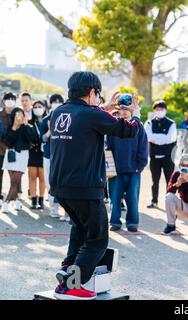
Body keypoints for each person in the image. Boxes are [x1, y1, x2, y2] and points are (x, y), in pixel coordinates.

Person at [50, 71, 141, 300]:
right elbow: (127, 130)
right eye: (97, 95)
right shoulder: (92, 115)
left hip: (61, 186)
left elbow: (89, 119)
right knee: (98, 239)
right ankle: (72, 284)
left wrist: (105, 109)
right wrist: (136, 114)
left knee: (80, 228)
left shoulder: (59, 112)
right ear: (92, 92)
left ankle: (68, 269)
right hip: (85, 187)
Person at [107, 94, 148, 233]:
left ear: (132, 110)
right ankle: (114, 221)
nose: (123, 112)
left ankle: (132, 222)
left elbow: (143, 148)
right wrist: (110, 167)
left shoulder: (139, 127)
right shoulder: (114, 125)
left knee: (132, 198)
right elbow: (108, 147)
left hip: (133, 170)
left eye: (127, 109)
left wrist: (139, 166)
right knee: (114, 197)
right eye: (121, 109)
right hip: (116, 169)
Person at [1, 108, 35, 214]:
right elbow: (7, 142)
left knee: (15, 181)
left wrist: (25, 125)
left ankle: (6, 202)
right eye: (16, 115)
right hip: (11, 155)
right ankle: (16, 201)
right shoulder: (11, 127)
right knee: (13, 181)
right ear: (13, 117)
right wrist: (14, 128)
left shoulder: (27, 126)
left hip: (22, 155)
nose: (18, 117)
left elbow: (33, 138)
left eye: (20, 115)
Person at [144, 100, 177, 209]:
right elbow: (148, 137)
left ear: (165, 110)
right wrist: (161, 138)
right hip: (154, 156)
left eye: (162, 109)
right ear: (154, 110)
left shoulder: (171, 123)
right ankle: (154, 201)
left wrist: (156, 138)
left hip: (168, 157)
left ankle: (171, 202)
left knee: (170, 180)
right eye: (157, 109)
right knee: (155, 181)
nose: (159, 111)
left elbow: (170, 138)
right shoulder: (149, 122)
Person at [41, 94, 66, 219]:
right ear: (50, 103)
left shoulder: (65, 117)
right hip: (48, 156)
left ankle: (66, 211)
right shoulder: (46, 119)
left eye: (59, 101)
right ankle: (53, 209)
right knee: (49, 183)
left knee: (62, 183)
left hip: (63, 157)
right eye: (54, 102)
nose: (56, 103)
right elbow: (43, 138)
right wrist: (50, 130)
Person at [28, 101, 46, 210]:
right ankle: (34, 200)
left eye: (40, 107)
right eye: (35, 107)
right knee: (32, 177)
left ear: (44, 108)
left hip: (43, 153)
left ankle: (42, 200)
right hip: (33, 153)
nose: (37, 108)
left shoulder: (47, 121)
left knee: (42, 178)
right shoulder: (30, 122)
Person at [0, 92, 16, 201]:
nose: (9, 101)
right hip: (0, 149)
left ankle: (15, 195)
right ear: (4, 101)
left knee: (15, 173)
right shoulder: (0, 114)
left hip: (13, 149)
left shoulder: (17, 114)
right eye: (7, 99)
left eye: (12, 99)